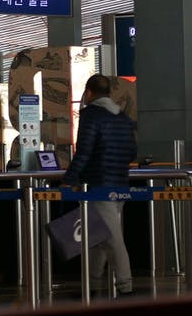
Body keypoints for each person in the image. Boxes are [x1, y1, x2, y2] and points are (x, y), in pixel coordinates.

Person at [62, 74, 136, 297]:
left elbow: (84, 151)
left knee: (113, 239)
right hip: (120, 183)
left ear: (89, 92)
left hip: (99, 184)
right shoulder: (122, 117)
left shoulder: (91, 116)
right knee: (97, 235)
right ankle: (92, 284)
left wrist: (70, 179)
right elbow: (132, 152)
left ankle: (126, 287)